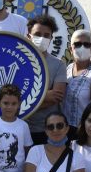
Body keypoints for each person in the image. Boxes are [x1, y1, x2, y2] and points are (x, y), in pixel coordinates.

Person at [24, 14, 68, 144]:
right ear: (28, 36)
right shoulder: (17, 61)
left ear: (51, 38)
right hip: (21, 129)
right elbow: (12, 97)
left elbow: (56, 97)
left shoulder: (59, 64)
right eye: (37, 34)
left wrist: (25, 102)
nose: (42, 38)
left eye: (46, 35)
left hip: (48, 131)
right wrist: (45, 94)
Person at [62, 29, 91, 132]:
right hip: (64, 129)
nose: (82, 47)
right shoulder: (67, 69)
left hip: (85, 130)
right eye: (77, 44)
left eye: (87, 44)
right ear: (70, 49)